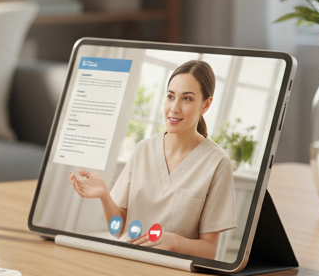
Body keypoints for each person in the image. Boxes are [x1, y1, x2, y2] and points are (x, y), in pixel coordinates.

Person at [68, 59, 237, 259]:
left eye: (187, 99)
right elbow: (119, 230)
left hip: (170, 269)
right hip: (125, 258)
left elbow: (209, 250)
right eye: (170, 96)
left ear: (205, 105)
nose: (174, 108)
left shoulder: (217, 162)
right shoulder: (143, 149)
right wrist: (104, 195)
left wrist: (174, 242)